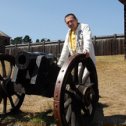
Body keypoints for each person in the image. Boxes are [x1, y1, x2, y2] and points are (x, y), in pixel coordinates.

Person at [57, 13, 99, 102]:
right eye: (67, 22)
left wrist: (86, 49)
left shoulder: (84, 27)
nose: (70, 23)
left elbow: (87, 38)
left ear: (76, 20)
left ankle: (92, 100)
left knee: (87, 81)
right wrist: (60, 64)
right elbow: (65, 50)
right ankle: (81, 100)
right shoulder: (68, 33)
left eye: (71, 21)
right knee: (78, 82)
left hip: (87, 60)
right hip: (76, 62)